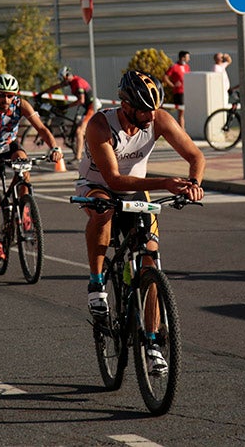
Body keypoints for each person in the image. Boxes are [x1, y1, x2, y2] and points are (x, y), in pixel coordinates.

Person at [76, 70, 204, 374]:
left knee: (150, 262)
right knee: (103, 210)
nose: (150, 115)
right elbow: (114, 179)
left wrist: (194, 183)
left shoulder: (158, 118)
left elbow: (195, 155)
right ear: (126, 104)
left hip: (136, 188)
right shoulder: (99, 125)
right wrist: (167, 183)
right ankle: (96, 285)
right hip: (100, 185)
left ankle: (152, 343)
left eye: (153, 109)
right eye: (144, 109)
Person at [0, 74, 63, 262]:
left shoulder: (21, 105)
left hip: (9, 146)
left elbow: (41, 128)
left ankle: (25, 210)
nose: (6, 100)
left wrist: (54, 148)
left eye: (10, 95)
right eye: (2, 95)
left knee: (23, 162)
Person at [41, 66, 95, 164]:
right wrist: (42, 93)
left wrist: (66, 106)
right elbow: (56, 87)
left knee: (79, 131)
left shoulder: (77, 82)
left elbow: (81, 100)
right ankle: (75, 144)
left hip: (92, 107)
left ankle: (78, 158)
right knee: (76, 127)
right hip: (86, 107)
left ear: (66, 76)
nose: (63, 82)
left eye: (63, 80)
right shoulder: (71, 81)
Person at [162, 51, 191, 129]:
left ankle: (182, 129)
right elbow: (165, 77)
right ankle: (181, 130)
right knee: (181, 112)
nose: (189, 59)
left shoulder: (187, 67)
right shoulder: (174, 67)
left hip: (186, 91)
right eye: (188, 57)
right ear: (183, 57)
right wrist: (173, 85)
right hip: (179, 92)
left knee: (185, 112)